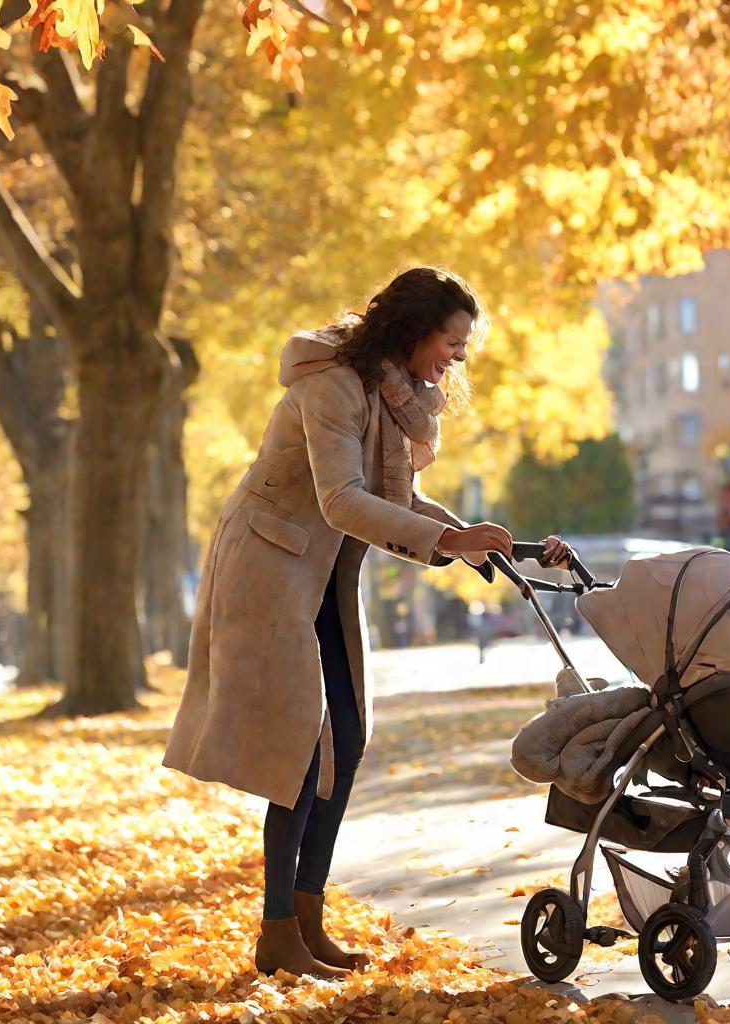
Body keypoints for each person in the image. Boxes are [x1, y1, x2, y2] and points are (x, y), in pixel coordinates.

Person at [161, 267, 572, 981]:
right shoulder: (331, 384)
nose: (459, 355)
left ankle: (307, 921)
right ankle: (277, 930)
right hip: (271, 568)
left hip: (321, 574)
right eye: (452, 340)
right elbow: (342, 500)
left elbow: (398, 494)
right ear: (415, 330)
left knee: (344, 742)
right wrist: (447, 541)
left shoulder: (390, 394)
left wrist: (475, 537)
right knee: (301, 751)